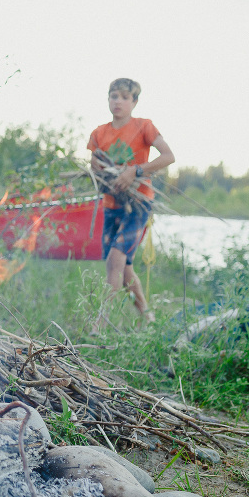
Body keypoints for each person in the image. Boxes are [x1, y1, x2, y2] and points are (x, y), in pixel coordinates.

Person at [88, 78, 175, 321]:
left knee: (115, 261)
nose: (118, 101)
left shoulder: (143, 126)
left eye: (125, 97)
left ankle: (101, 325)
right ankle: (149, 318)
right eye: (114, 96)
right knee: (124, 271)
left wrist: (135, 171)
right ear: (108, 99)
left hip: (138, 204)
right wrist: (99, 171)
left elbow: (168, 156)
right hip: (112, 205)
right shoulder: (98, 133)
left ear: (134, 102)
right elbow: (95, 165)